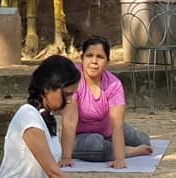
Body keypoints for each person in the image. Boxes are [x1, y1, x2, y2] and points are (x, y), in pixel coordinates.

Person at [58, 37, 152, 168]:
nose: (94, 61)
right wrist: (66, 157)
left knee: (144, 140)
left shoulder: (114, 84)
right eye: (89, 55)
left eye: (100, 57)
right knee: (96, 144)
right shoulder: (73, 79)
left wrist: (119, 160)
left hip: (107, 128)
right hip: (80, 136)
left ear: (107, 61)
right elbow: (69, 122)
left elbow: (116, 125)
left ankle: (119, 149)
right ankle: (129, 151)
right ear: (82, 58)